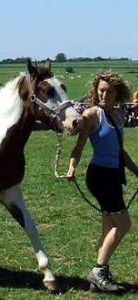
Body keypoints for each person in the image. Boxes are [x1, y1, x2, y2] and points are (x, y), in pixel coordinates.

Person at [66, 71, 138, 294]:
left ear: (117, 93)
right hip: (99, 176)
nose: (104, 95)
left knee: (109, 226)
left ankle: (100, 275)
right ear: (95, 92)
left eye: (108, 91)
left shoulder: (117, 115)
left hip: (114, 174)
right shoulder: (92, 115)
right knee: (124, 224)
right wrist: (71, 168)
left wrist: (137, 171)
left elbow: (119, 151)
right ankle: (98, 271)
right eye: (101, 91)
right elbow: (79, 146)